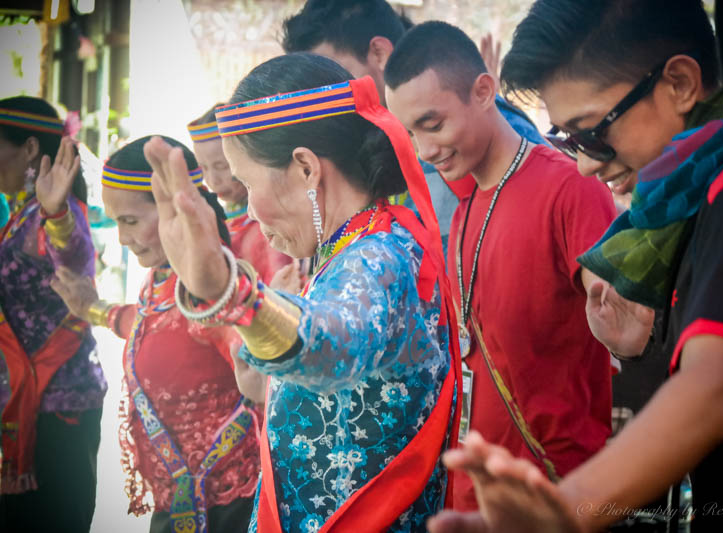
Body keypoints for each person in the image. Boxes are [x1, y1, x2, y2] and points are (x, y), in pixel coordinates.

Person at [429, 0, 723, 531]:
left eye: (592, 131)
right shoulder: (693, 195)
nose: (584, 162)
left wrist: (568, 509)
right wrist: (643, 345)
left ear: (680, 83)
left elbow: (714, 386)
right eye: (565, 138)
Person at [141, 52, 460, 532]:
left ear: (307, 169)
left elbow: (328, 341)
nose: (247, 205)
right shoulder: (358, 246)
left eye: (248, 182)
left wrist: (230, 291)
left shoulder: (378, 259)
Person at [384, 21, 616, 512]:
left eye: (433, 123)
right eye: (410, 132)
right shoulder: (465, 199)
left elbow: (624, 329)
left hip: (557, 493)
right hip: (480, 488)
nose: (425, 150)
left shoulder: (570, 188)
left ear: (484, 91)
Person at [50, 136, 261, 533]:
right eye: (115, 221)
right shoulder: (164, 277)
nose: (122, 238)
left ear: (173, 211)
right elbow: (155, 325)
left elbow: (253, 356)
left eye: (129, 221)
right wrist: (94, 309)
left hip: (226, 505)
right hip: (185, 499)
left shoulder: (208, 288)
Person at [281, 0, 546, 254]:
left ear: (379, 53)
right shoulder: (387, 141)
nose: (329, 103)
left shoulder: (477, 140)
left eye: (335, 80)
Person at [0, 97, 107, 532]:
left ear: (28, 149)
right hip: (24, 399)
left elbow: (75, 265)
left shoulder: (54, 214)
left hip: (57, 405)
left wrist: (56, 213)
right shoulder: (19, 214)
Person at [188, 106, 294, 286]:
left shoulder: (270, 222)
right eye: (203, 168)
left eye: (222, 166)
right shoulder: (214, 220)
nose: (213, 180)